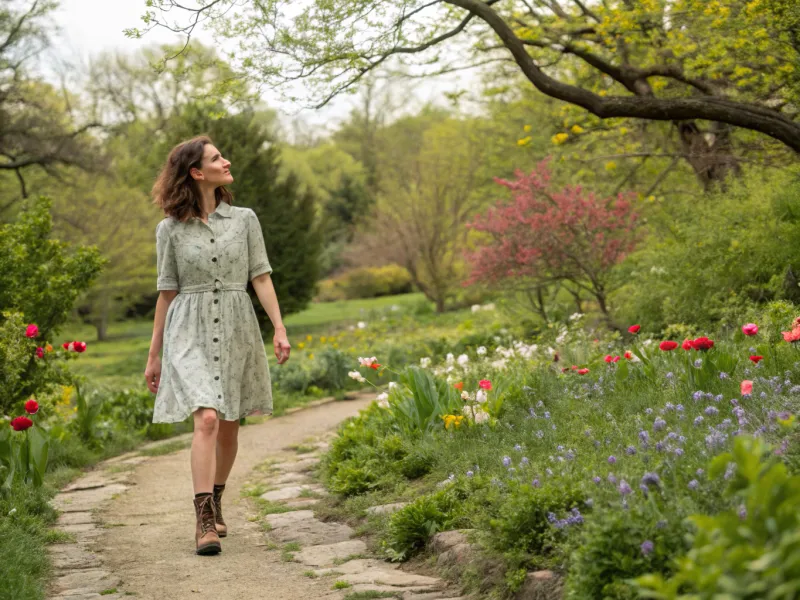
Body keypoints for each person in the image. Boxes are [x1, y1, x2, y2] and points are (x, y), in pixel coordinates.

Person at [144, 136, 291, 556]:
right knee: (207, 418)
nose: (226, 162)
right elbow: (166, 292)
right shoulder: (169, 230)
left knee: (229, 422)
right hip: (187, 328)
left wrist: (279, 328)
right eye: (215, 158)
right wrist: (154, 356)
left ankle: (217, 494)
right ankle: (203, 517)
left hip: (236, 325)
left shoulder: (244, 220)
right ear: (195, 172)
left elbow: (260, 276)